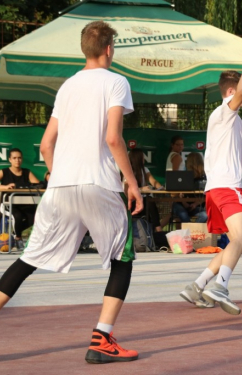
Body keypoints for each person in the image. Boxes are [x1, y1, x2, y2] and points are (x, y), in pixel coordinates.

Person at [0, 21, 143, 364]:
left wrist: (56, 171)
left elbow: (47, 143)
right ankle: (101, 339)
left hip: (61, 186)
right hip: (100, 185)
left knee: (28, 260)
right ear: (109, 49)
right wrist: (132, 181)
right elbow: (113, 138)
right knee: (121, 260)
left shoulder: (66, 87)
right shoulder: (117, 82)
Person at [179, 33, 242, 315]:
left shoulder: (229, 119)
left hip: (218, 189)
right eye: (241, 93)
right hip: (227, 188)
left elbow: (229, 150)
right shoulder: (224, 111)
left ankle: (198, 285)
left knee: (236, 241)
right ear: (231, 92)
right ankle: (220, 286)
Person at [0, 148, 40, 250]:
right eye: (14, 158)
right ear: (10, 160)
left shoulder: (27, 172)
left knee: (35, 217)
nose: (17, 160)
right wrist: (5, 187)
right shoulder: (4, 172)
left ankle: (15, 233)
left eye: (19, 158)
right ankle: (18, 238)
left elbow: (38, 185)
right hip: (8, 204)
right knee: (17, 216)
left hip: (25, 203)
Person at [124, 148, 163, 232]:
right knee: (149, 202)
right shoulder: (128, 171)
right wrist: (141, 189)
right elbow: (126, 190)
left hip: (144, 200)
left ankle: (156, 229)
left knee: (150, 201)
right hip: (133, 201)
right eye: (142, 157)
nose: (144, 159)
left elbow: (153, 181)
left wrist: (161, 187)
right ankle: (158, 229)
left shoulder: (144, 169)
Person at [172, 152, 207, 223]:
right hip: (181, 205)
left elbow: (207, 195)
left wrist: (195, 204)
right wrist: (184, 203)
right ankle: (191, 232)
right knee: (184, 215)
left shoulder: (205, 177)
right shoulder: (183, 175)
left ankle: (192, 232)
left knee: (205, 215)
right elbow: (176, 195)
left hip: (196, 206)